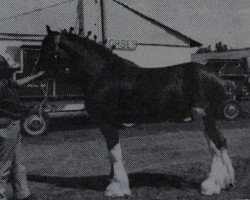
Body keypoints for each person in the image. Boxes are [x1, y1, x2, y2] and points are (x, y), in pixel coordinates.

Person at [0, 54, 44, 200]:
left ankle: (23, 194)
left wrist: (35, 76)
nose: (14, 72)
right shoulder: (2, 83)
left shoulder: (6, 81)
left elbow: (19, 83)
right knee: (4, 166)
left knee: (18, 164)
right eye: (11, 70)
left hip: (14, 125)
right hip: (7, 127)